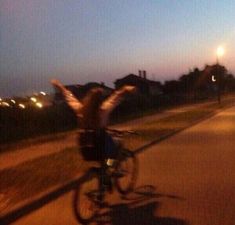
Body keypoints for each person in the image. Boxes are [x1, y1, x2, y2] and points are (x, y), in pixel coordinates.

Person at [51, 79, 136, 165]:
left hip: (87, 150)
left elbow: (69, 98)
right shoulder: (103, 110)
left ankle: (105, 168)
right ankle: (111, 164)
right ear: (100, 100)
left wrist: (60, 87)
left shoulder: (80, 110)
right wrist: (125, 89)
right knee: (118, 143)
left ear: (88, 98)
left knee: (103, 149)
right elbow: (115, 98)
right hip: (102, 146)